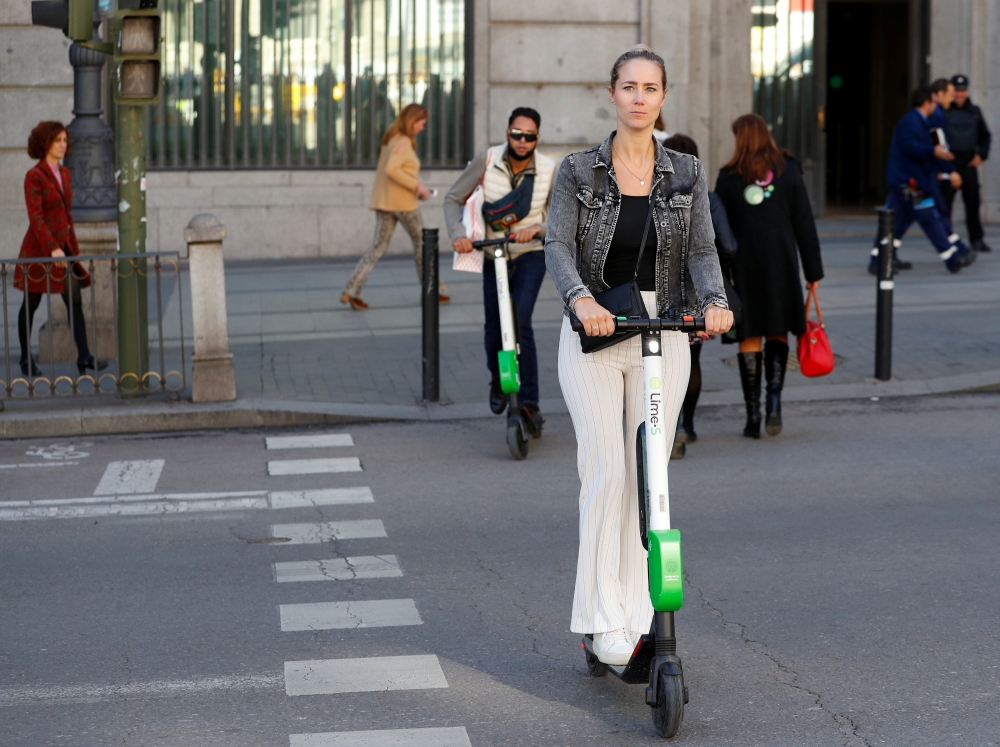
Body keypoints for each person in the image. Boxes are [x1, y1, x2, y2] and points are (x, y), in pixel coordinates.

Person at [545, 45, 732, 665]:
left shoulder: (685, 172)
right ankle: (603, 625)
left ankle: (637, 618)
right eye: (629, 86)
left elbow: (703, 248)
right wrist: (579, 300)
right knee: (607, 474)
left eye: (650, 88)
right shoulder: (579, 170)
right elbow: (557, 246)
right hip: (599, 324)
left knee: (650, 479)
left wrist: (714, 301)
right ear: (613, 93)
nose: (639, 97)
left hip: (663, 326)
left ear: (663, 96)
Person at [444, 107, 556, 433]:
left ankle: (530, 403)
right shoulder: (486, 160)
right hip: (494, 255)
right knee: (494, 327)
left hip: (530, 254)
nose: (523, 141)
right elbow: (452, 199)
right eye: (517, 134)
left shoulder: (549, 170)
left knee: (520, 320)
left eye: (530, 136)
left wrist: (538, 228)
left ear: (538, 137)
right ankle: (498, 378)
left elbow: (562, 219)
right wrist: (458, 235)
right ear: (507, 133)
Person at [715, 114, 824, 439]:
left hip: (744, 269)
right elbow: (804, 222)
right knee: (777, 332)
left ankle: (753, 415)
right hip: (782, 264)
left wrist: (720, 274)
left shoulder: (729, 176)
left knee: (749, 334)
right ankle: (774, 405)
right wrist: (813, 272)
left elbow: (720, 230)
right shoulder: (789, 170)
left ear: (740, 138)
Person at [661, 133, 739, 458]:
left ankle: (668, 424)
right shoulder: (706, 197)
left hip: (658, 293)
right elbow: (730, 245)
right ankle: (686, 426)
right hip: (696, 295)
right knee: (690, 361)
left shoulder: (651, 196)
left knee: (659, 361)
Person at [16, 121, 106, 378]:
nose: (63, 145)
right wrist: (52, 248)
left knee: (74, 299)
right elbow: (36, 217)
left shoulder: (65, 174)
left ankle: (84, 357)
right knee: (31, 303)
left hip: (63, 249)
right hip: (38, 249)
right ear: (45, 143)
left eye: (65, 140)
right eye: (58, 141)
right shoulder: (34, 176)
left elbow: (65, 214)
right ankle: (25, 358)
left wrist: (67, 248)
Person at [341, 104, 448, 310]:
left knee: (377, 247)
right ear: (413, 121)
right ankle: (432, 291)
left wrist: (417, 190)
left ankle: (352, 290)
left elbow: (394, 170)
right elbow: (392, 170)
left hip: (386, 203)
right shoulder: (404, 142)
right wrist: (417, 186)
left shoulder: (391, 137)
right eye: (422, 123)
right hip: (403, 205)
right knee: (423, 245)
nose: (423, 128)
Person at [866, 87, 976, 276]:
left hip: (913, 181)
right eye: (934, 102)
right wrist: (935, 154)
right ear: (926, 103)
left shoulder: (919, 121)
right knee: (927, 218)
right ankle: (951, 258)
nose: (936, 106)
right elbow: (911, 146)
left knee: (899, 223)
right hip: (909, 182)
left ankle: (880, 260)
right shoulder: (912, 121)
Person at [943, 74, 992, 253]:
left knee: (973, 202)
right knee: (945, 202)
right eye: (956, 90)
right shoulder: (945, 111)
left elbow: (985, 136)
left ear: (967, 91)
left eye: (962, 91)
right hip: (950, 162)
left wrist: (982, 155)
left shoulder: (975, 111)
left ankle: (976, 239)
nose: (959, 94)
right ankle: (945, 240)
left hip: (969, 163)